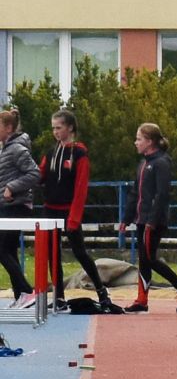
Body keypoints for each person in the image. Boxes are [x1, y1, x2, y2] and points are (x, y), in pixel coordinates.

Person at [38, 109, 115, 312]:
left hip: (68, 211)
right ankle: (59, 296)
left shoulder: (79, 153)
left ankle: (101, 291)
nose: (55, 132)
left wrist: (74, 217)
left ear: (70, 127)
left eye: (59, 127)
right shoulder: (51, 152)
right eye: (53, 128)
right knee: (52, 254)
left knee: (79, 252)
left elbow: (81, 188)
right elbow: (40, 175)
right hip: (50, 210)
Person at [119, 123, 177, 314]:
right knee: (144, 260)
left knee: (149, 258)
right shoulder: (143, 164)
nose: (135, 142)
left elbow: (162, 195)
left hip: (153, 220)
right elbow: (135, 193)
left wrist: (152, 220)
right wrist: (126, 218)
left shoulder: (161, 163)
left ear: (150, 141)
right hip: (141, 219)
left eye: (139, 139)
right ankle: (142, 301)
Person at [0, 109, 40, 309]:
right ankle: (21, 295)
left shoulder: (16, 149)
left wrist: (11, 187)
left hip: (17, 205)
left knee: (2, 249)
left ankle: (27, 290)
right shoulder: (6, 149)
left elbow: (34, 173)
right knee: (8, 249)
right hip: (8, 206)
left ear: (8, 128)